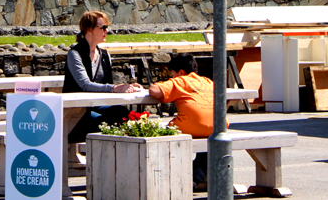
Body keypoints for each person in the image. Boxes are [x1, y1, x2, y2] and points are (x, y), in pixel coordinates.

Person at [63, 10, 143, 142]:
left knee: (124, 114)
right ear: (89, 29)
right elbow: (85, 85)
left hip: (98, 104)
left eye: (107, 27)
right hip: (78, 109)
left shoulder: (105, 55)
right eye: (103, 27)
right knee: (102, 122)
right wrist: (114, 88)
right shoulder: (75, 54)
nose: (107, 31)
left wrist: (127, 87)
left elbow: (107, 83)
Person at [148, 54, 218, 192]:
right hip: (216, 126)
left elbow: (154, 91)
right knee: (208, 140)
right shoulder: (208, 82)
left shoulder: (180, 81)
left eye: (172, 74)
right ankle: (195, 178)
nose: (172, 77)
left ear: (180, 72)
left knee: (160, 133)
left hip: (190, 125)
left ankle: (172, 177)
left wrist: (168, 87)